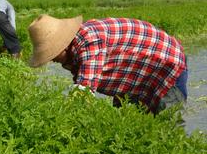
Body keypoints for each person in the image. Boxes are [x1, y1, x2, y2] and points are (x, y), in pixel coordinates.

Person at [28, 14, 188, 114]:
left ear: (63, 45)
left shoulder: (89, 41)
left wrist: (61, 119)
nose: (52, 60)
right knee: (129, 123)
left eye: (52, 54)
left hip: (166, 65)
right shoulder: (75, 50)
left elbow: (83, 92)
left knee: (168, 124)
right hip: (137, 76)